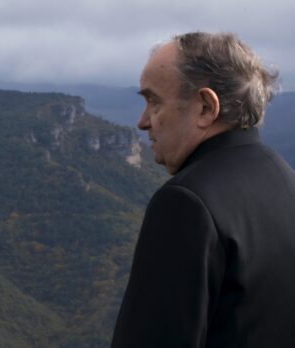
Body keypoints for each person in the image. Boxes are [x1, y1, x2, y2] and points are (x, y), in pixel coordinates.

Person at [112, 32, 295, 347]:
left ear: (206, 107)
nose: (142, 122)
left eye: (153, 101)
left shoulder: (186, 203)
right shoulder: (283, 177)